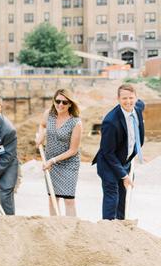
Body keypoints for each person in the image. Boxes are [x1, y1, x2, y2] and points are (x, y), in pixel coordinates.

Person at [93, 83, 145, 220]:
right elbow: (107, 152)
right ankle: (108, 226)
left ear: (136, 98)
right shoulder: (110, 122)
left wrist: (126, 171)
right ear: (118, 99)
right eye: (124, 98)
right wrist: (123, 175)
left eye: (131, 98)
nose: (128, 102)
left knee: (124, 196)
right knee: (113, 196)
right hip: (108, 163)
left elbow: (141, 104)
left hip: (125, 160)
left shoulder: (138, 108)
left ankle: (120, 227)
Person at [35, 89, 82, 217]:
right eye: (58, 101)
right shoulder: (48, 114)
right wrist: (41, 135)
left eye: (65, 102)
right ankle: (55, 227)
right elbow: (43, 125)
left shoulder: (76, 122)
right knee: (52, 198)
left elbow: (73, 150)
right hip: (50, 162)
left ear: (70, 104)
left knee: (69, 199)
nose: (60, 105)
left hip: (68, 163)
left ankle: (71, 229)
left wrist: (53, 160)